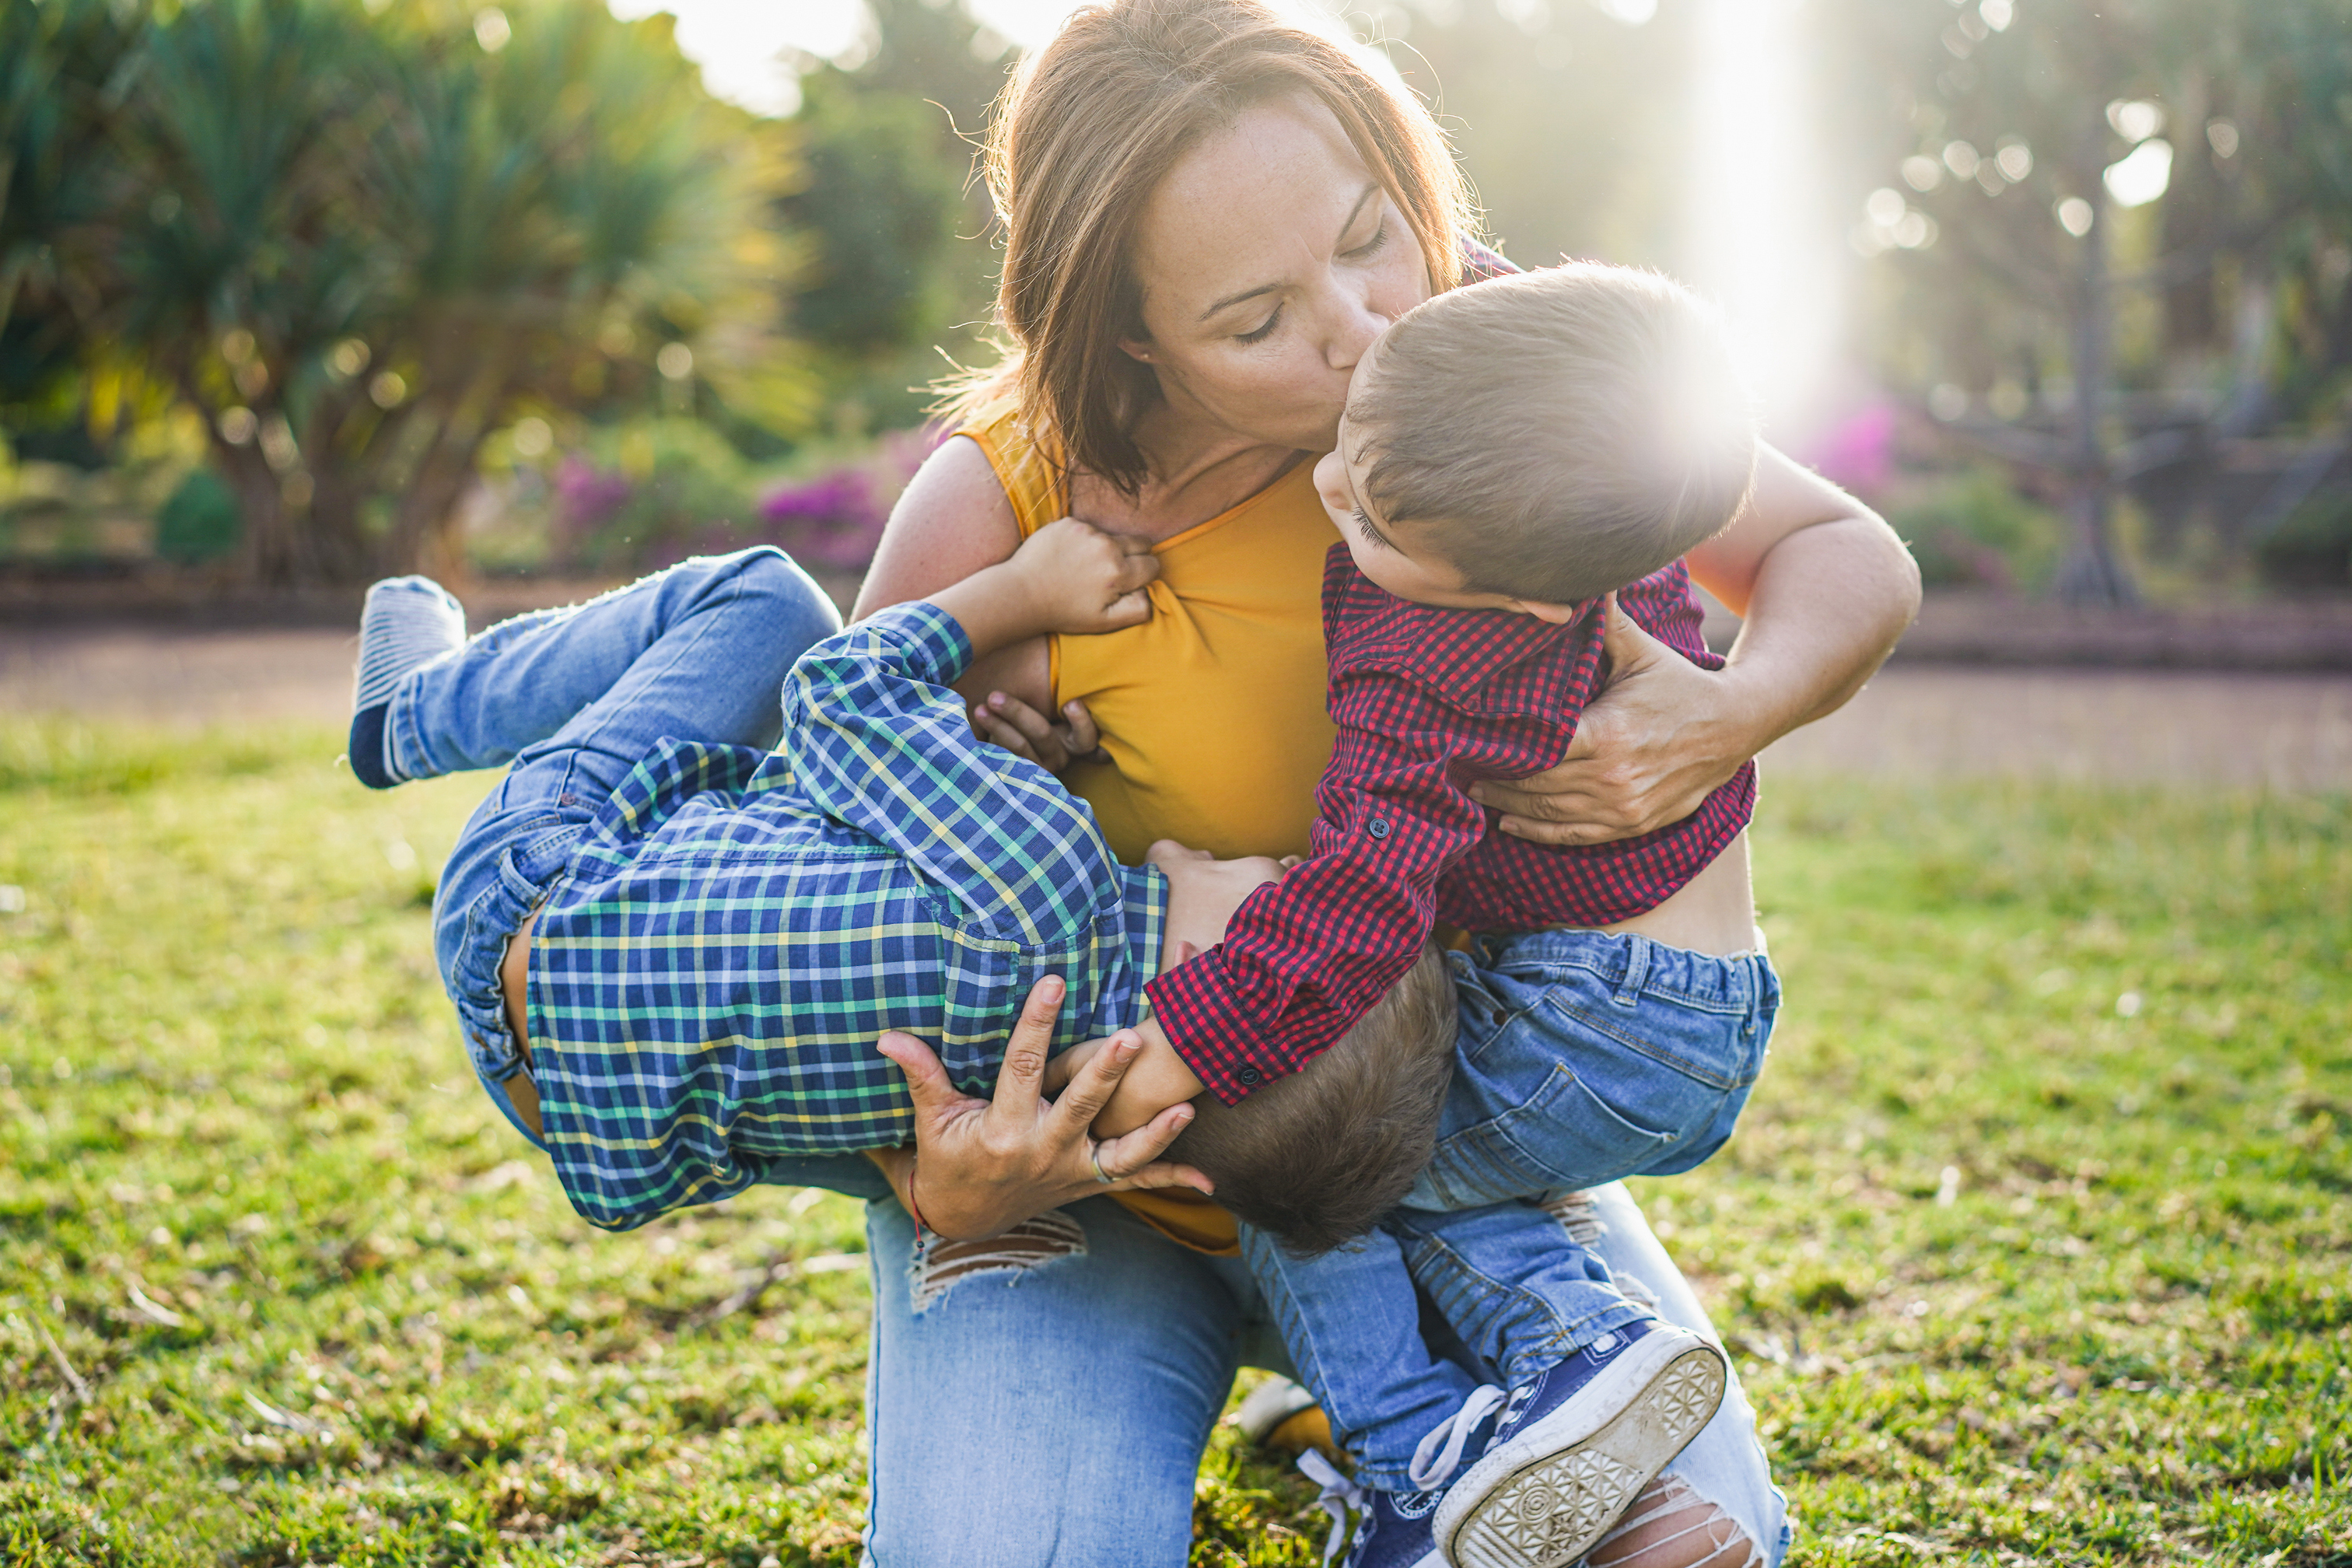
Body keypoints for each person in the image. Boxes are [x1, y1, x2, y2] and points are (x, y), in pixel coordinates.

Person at [842, 2, 1919, 1564]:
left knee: (1695, 1535)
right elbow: (814, 826)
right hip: (1088, 1193)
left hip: (1416, 1154)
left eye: (1373, 235)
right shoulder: (1004, 489)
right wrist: (930, 1176)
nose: (1364, 329)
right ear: (1130, 331)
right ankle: (1373, 1423)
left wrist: (1717, 713)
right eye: (1257, 318)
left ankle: (1389, 1428)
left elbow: (1843, 550)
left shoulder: (1493, 377)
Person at [1128, 261, 1781, 1568]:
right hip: (1697, 1000)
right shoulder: (1584, 491)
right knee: (1387, 1143)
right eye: (1357, 442)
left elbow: (1359, 907)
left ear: (1532, 603)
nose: (1331, 491)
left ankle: (1449, 1431)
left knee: (1305, 1148)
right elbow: (1578, 354)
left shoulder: (1437, 658)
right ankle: (1494, 1377)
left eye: (1371, 518)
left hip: (1591, 1036)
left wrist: (1187, 1040)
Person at [344, 520, 1459, 1251]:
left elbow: (838, 686)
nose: (1276, 856)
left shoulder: (1046, 868)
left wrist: (1020, 594)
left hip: (531, 896)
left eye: (1283, 882)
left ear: (1219, 967)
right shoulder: (1027, 1133)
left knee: (771, 603)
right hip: (574, 1118)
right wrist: (1007, 771)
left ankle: (417, 710)